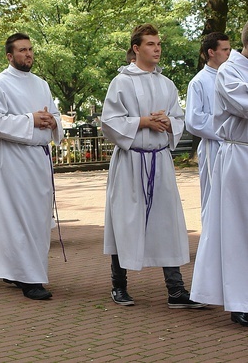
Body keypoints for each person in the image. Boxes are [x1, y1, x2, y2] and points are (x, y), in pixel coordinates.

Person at [101, 23, 204, 309]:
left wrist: (169, 121)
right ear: (136, 48)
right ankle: (118, 285)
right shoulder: (121, 82)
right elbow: (110, 121)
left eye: (158, 44)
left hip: (159, 161)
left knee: (166, 223)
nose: (157, 49)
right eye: (150, 44)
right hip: (131, 161)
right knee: (125, 220)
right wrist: (143, 122)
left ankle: (176, 290)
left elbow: (179, 118)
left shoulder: (166, 83)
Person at [0, 33, 63, 300]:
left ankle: (19, 270)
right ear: (9, 56)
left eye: (30, 49)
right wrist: (31, 120)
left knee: (38, 218)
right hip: (13, 161)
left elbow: (54, 113)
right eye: (22, 50)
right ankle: (29, 279)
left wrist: (53, 122)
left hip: (38, 159)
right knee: (19, 219)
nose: (28, 54)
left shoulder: (41, 84)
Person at [191, 21, 248, 326]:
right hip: (240, 155)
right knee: (238, 228)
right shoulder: (229, 71)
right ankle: (240, 300)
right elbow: (245, 105)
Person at [185, 32, 231, 222]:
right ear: (211, 52)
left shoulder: (232, 77)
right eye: (225, 49)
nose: (230, 53)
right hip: (214, 147)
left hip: (235, 147)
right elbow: (194, 120)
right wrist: (228, 127)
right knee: (214, 198)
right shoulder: (199, 82)